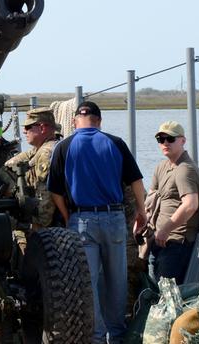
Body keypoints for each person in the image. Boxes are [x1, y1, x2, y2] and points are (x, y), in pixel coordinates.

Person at [47, 100, 147, 344]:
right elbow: (136, 182)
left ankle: (97, 337)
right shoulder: (115, 143)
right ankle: (119, 336)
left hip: (81, 220)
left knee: (87, 284)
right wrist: (142, 212)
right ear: (99, 121)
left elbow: (55, 191)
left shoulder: (64, 146)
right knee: (117, 281)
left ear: (74, 122)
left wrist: (68, 215)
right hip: (113, 218)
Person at [147, 121, 199, 284]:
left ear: (183, 141)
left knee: (167, 296)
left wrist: (165, 229)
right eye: (160, 139)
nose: (165, 143)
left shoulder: (185, 169)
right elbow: (151, 198)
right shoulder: (161, 167)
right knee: (154, 294)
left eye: (170, 139)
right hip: (158, 240)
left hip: (176, 243)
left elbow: (190, 205)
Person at [4, 108, 61, 252]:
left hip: (47, 227)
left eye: (28, 127)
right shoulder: (40, 149)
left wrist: (38, 228)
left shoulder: (46, 153)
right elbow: (17, 162)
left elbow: (45, 197)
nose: (24, 131)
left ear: (42, 128)